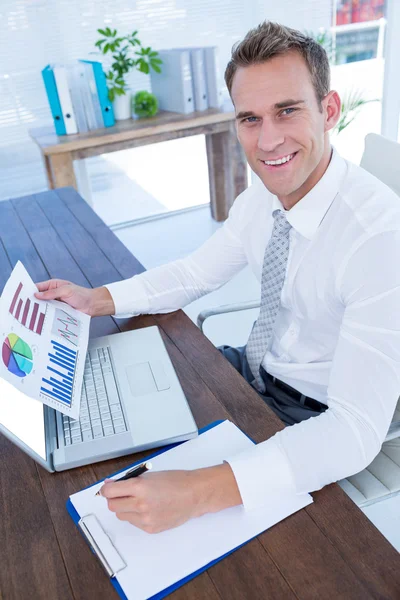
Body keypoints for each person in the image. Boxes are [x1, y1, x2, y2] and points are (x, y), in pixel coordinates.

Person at [35, 21, 400, 534]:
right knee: (94, 419)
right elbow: (195, 272)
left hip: (313, 418)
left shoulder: (380, 240)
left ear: (330, 109)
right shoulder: (260, 201)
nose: (267, 140)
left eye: (287, 110)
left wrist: (198, 492)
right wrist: (97, 299)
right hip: (250, 374)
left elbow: (355, 431)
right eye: (250, 118)